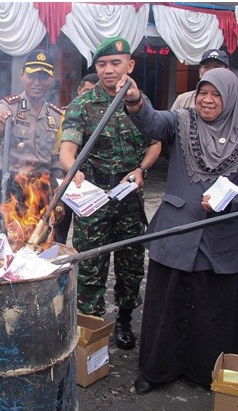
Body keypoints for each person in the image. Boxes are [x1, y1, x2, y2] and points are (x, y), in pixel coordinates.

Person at [121, 68, 238, 393]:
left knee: (212, 309)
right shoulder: (181, 122)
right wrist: (135, 101)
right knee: (166, 304)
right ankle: (156, 370)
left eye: (216, 94)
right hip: (176, 232)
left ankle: (208, 373)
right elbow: (152, 122)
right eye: (203, 92)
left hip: (221, 237)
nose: (207, 99)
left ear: (230, 97)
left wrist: (229, 196)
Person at [59, 37, 162, 350]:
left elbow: (155, 142)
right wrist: (72, 169)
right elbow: (67, 149)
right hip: (95, 196)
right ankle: (90, 331)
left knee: (131, 264)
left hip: (129, 195)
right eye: (101, 64)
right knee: (91, 266)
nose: (108, 70)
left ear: (129, 65)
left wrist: (141, 169)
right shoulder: (83, 105)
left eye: (115, 63)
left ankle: (125, 320)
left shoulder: (140, 103)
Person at [0, 49, 69, 243]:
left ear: (51, 78)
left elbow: (55, 160)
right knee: (6, 239)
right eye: (32, 75)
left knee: (38, 240)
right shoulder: (8, 107)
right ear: (22, 75)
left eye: (43, 76)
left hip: (41, 186)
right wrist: (0, 130)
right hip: (10, 183)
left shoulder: (56, 116)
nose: (37, 82)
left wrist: (58, 192)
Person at [171, 49, 238, 122]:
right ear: (200, 72)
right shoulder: (183, 101)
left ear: (227, 71)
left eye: (217, 67)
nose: (211, 71)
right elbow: (170, 130)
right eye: (206, 67)